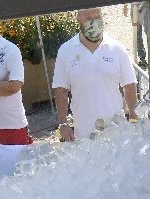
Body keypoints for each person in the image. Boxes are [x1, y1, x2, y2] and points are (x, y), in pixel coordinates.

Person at [52, 8, 139, 141]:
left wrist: (133, 115)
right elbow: (60, 91)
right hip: (84, 133)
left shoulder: (117, 49)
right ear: (79, 18)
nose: (94, 22)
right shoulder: (65, 51)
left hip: (116, 131)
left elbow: (129, 86)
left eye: (97, 16)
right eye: (88, 18)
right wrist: (63, 123)